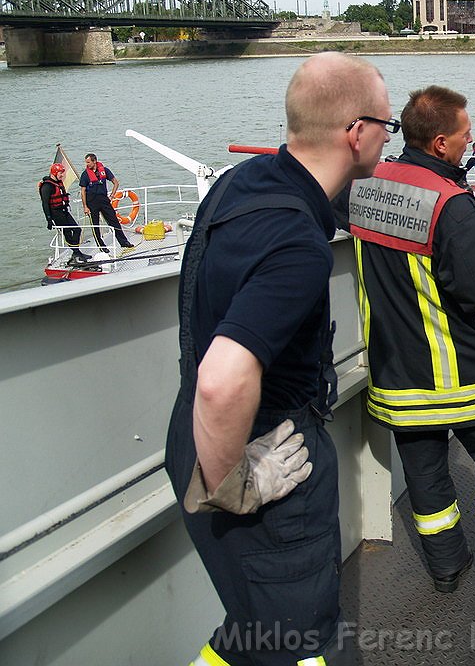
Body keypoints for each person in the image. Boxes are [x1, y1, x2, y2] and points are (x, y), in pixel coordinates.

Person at [164, 53, 392, 666]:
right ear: (356, 132)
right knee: (303, 648)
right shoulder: (299, 245)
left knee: (247, 632)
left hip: (193, 442)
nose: (387, 138)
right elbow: (222, 381)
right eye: (386, 127)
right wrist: (232, 485)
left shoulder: (240, 185)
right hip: (266, 466)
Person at [347, 85, 475, 593]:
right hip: (461, 373)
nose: (471, 141)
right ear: (440, 143)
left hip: (396, 375)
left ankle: (445, 566)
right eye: (466, 135)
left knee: (426, 473)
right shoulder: (451, 204)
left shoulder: (363, 186)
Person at [79, 153, 134, 251]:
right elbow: (82, 191)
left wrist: (112, 195)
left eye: (88, 162)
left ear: (94, 161)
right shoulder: (85, 174)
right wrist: (85, 207)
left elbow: (115, 182)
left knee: (114, 221)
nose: (87, 164)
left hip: (104, 200)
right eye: (86, 162)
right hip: (91, 203)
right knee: (95, 225)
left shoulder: (105, 170)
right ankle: (102, 246)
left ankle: (123, 242)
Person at [39, 162, 92, 264]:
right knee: (67, 233)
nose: (62, 175)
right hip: (56, 213)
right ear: (54, 173)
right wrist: (49, 219)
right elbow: (45, 204)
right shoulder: (47, 186)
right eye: (60, 173)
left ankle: (76, 253)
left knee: (77, 230)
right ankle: (77, 253)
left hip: (64, 211)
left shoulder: (58, 182)